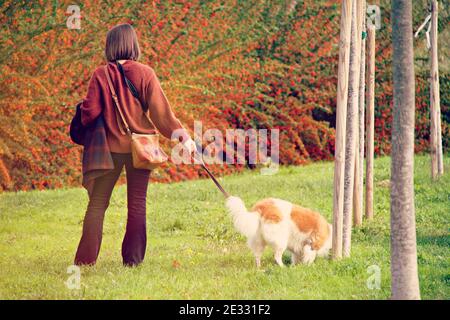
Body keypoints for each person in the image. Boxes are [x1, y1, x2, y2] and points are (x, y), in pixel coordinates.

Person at [74, 23, 196, 267]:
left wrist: (82, 107)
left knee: (97, 203)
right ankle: (132, 261)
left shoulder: (100, 74)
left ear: (110, 46)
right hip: (141, 148)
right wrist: (184, 136)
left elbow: (90, 113)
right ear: (133, 45)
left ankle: (85, 262)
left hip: (109, 150)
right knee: (137, 203)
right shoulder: (145, 73)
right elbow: (162, 114)